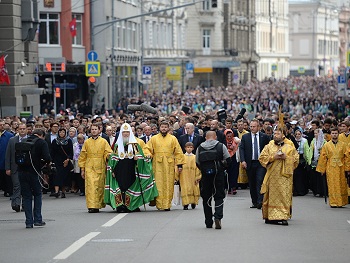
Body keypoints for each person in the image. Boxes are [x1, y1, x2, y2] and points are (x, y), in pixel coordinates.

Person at [104, 123, 158, 212]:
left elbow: (142, 157)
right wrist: (112, 170)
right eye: (124, 132)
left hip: (131, 169)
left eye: (127, 132)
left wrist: (138, 158)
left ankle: (132, 205)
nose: (126, 134)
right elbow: (113, 159)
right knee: (121, 187)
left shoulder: (135, 145)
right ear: (121, 133)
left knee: (131, 186)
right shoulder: (117, 145)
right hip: (119, 169)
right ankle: (120, 206)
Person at [258, 127, 299, 226]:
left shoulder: (289, 147)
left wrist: (286, 158)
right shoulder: (269, 146)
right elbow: (262, 158)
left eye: (278, 134)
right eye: (274, 133)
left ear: (283, 135)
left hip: (285, 178)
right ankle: (269, 216)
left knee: (284, 196)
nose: (275, 135)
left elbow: (296, 160)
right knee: (269, 196)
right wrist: (273, 157)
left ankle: (283, 216)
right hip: (272, 177)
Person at [145, 121, 185, 211]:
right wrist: (148, 154)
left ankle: (167, 204)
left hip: (169, 164)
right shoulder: (154, 138)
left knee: (168, 184)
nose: (163, 128)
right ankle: (159, 204)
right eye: (162, 127)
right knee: (158, 184)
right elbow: (147, 148)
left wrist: (179, 165)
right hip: (157, 164)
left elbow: (178, 152)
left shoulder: (173, 139)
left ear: (168, 128)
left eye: (165, 127)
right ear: (160, 128)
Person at [196, 131, 231, 229]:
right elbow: (228, 160)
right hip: (218, 175)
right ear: (215, 137)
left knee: (206, 198)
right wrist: (222, 167)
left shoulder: (200, 147)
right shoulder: (221, 146)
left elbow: (197, 162)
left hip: (205, 177)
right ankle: (218, 217)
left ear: (206, 138)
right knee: (219, 196)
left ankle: (208, 221)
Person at [18, 129, 51, 228]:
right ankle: (37, 219)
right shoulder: (41, 142)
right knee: (37, 194)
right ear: (41, 135)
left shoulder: (23, 141)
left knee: (27, 196)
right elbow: (47, 158)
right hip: (34, 172)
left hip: (22, 172)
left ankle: (28, 222)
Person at [78, 123, 113, 213]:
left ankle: (97, 204)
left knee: (99, 186)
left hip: (100, 165)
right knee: (91, 186)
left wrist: (108, 156)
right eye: (92, 129)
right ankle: (91, 205)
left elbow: (108, 152)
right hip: (89, 166)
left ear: (99, 130)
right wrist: (82, 169)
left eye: (95, 129)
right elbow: (83, 156)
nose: (94, 131)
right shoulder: (87, 142)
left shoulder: (103, 141)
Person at [239, 119, 270, 209]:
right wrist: (243, 161)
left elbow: (268, 148)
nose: (252, 128)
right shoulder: (245, 137)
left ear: (258, 127)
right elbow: (242, 149)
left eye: (254, 126)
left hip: (261, 163)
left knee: (259, 181)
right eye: (251, 127)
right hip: (250, 163)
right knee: (252, 183)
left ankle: (260, 201)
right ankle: (254, 201)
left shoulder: (264, 137)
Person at [316, 128, 350, 208]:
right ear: (330, 134)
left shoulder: (343, 144)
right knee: (332, 184)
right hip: (330, 167)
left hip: (341, 167)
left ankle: (341, 202)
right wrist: (322, 169)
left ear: (338, 134)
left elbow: (347, 157)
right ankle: (333, 202)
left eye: (336, 133)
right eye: (333, 133)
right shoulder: (326, 145)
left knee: (341, 184)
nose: (334, 135)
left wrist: (347, 168)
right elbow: (323, 157)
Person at [5, 123, 27, 212]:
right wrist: (7, 168)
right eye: (20, 129)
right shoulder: (12, 140)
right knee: (16, 186)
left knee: (25, 187)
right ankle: (16, 204)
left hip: (26, 168)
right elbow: (8, 155)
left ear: (26, 130)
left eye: (24, 129)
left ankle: (25, 204)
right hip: (15, 167)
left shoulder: (30, 140)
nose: (22, 130)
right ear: (17, 130)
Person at [175, 142, 201, 210]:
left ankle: (193, 202)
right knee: (185, 189)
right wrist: (177, 173)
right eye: (188, 147)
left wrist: (198, 177)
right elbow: (177, 165)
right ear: (185, 148)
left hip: (193, 175)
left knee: (194, 188)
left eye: (190, 147)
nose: (189, 149)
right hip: (184, 176)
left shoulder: (195, 157)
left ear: (193, 148)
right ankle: (185, 204)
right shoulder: (182, 157)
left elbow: (198, 167)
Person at [51, 128, 73, 198]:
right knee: (57, 175)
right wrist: (51, 161)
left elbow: (70, 152)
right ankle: (57, 192)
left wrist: (68, 159)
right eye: (60, 132)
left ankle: (63, 192)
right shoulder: (55, 141)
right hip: (57, 161)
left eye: (63, 132)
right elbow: (52, 152)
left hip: (65, 161)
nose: (62, 134)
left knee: (63, 177)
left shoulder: (68, 141)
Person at [305, 128, 326, 197]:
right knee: (314, 177)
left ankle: (321, 191)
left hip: (321, 161)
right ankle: (315, 190)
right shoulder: (313, 141)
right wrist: (309, 159)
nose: (315, 135)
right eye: (314, 133)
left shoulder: (324, 142)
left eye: (316, 133)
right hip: (313, 160)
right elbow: (310, 150)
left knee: (320, 177)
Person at [293, 129, 309, 196]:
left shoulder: (304, 141)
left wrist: (307, 160)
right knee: (296, 176)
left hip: (302, 158)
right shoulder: (293, 141)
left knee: (302, 176)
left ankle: (302, 190)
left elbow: (306, 150)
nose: (297, 136)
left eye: (299, 134)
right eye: (296, 134)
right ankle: (296, 190)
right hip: (295, 158)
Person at [0, 119, 14, 197]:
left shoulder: (9, 136)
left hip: (5, 159)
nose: (2, 126)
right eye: (0, 125)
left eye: (3, 125)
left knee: (7, 177)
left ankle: (8, 191)